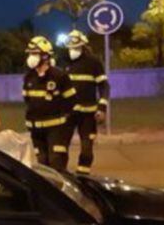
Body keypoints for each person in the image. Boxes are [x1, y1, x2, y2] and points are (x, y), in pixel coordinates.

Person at [22, 36, 76, 170]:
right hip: (36, 129)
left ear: (45, 56)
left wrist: (64, 119)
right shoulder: (28, 77)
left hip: (56, 129)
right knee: (42, 164)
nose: (31, 57)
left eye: (34, 53)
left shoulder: (59, 76)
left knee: (56, 161)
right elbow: (28, 101)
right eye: (30, 53)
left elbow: (71, 100)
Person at [62, 30, 110, 174]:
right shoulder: (63, 61)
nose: (73, 51)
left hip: (88, 114)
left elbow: (104, 86)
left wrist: (102, 108)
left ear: (83, 46)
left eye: (76, 48)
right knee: (60, 147)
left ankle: (83, 177)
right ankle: (60, 176)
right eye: (71, 48)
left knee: (86, 148)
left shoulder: (93, 62)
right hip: (67, 113)